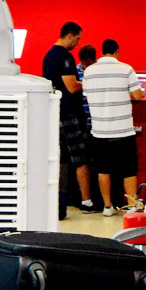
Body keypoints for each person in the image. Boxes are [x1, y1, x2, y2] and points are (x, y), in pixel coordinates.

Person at [83, 39, 143, 217]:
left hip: (100, 131)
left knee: (103, 169)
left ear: (102, 52)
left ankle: (107, 206)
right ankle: (132, 205)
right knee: (129, 169)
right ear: (117, 52)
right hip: (123, 130)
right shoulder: (126, 69)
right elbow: (137, 95)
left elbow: (86, 94)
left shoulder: (89, 72)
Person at [42, 22, 97, 218]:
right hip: (68, 116)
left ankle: (59, 202)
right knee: (80, 158)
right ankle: (87, 201)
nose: (78, 42)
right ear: (71, 35)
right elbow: (72, 86)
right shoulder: (64, 56)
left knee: (61, 160)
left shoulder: (48, 55)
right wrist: (91, 84)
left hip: (55, 113)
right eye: (78, 38)